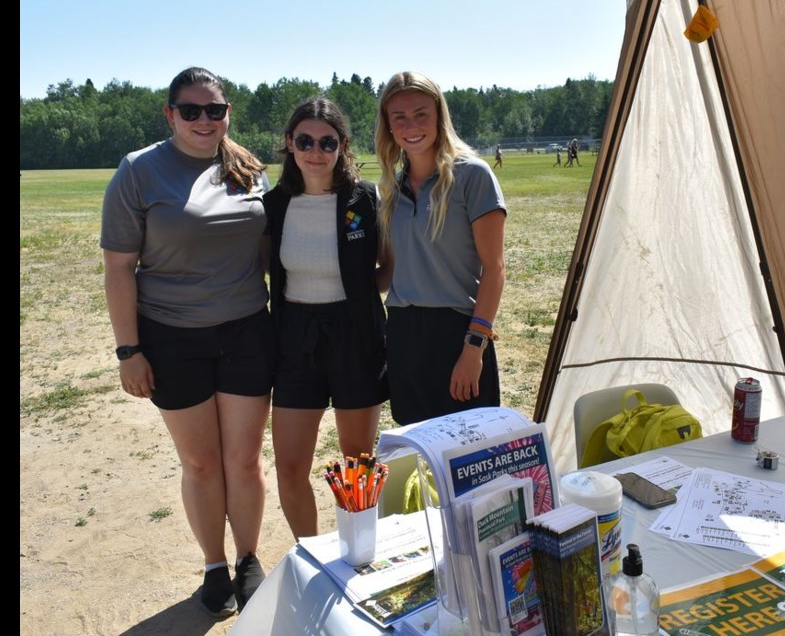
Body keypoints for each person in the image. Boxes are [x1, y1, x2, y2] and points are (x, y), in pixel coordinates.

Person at [100, 67, 272, 618]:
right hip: (172, 338)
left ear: (228, 114)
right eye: (191, 110)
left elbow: (271, 250)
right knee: (200, 464)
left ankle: (248, 560)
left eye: (215, 110)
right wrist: (130, 351)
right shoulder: (139, 171)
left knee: (243, 461)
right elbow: (119, 268)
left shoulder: (247, 168)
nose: (205, 120)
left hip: (247, 331)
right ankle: (213, 565)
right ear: (170, 114)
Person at [264, 98, 391, 539]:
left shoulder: (365, 198)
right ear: (289, 145)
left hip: (355, 334)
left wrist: (356, 294)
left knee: (358, 461)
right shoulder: (274, 204)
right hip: (295, 339)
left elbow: (386, 266)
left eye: (327, 141)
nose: (315, 151)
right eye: (304, 140)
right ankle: (312, 553)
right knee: (290, 466)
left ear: (342, 146)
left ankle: (358, 547)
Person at [375, 71, 507, 426]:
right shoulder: (390, 189)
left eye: (421, 114)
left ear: (439, 117)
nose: (411, 125)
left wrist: (473, 349)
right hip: (403, 334)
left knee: (471, 456)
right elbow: (390, 272)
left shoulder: (472, 176)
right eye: (398, 117)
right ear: (387, 126)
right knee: (420, 452)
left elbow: (494, 270)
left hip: (458, 333)